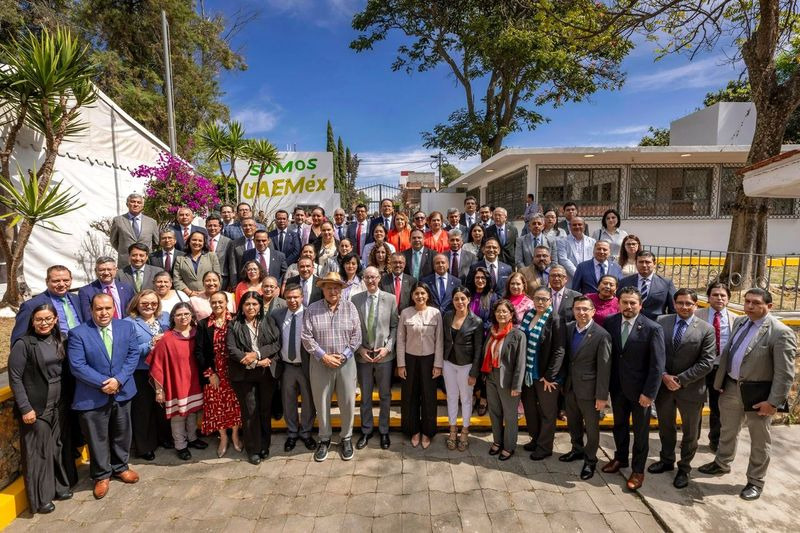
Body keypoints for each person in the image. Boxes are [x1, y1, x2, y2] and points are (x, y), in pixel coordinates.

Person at [699, 288, 796, 501]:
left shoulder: (780, 332)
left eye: (756, 303)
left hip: (758, 395)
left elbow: (785, 374)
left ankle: (755, 480)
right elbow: (729, 353)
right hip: (732, 388)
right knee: (728, 429)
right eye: (747, 301)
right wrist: (721, 381)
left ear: (769, 306)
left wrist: (773, 403)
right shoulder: (741, 322)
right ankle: (722, 462)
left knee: (760, 440)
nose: (750, 306)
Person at [67, 293, 140, 500]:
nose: (103, 312)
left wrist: (118, 380)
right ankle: (101, 475)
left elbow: (132, 355)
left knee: (122, 432)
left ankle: (120, 467)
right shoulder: (78, 333)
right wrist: (104, 383)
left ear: (114, 309)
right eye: (99, 309)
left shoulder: (126, 327)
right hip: (92, 395)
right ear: (91, 310)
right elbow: (77, 366)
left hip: (122, 390)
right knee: (96, 437)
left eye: (107, 308)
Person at [9, 304, 73, 514]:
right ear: (32, 321)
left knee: (56, 447)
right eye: (39, 319)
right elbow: (15, 378)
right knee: (38, 453)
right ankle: (41, 498)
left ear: (55, 319)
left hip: (59, 403)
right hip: (36, 407)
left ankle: (58, 487)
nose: (44, 323)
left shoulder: (60, 338)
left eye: (48, 319)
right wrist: (25, 408)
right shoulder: (24, 344)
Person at [649, 288, 715, 489]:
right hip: (664, 387)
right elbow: (654, 353)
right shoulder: (662, 321)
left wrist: (679, 379)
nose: (684, 307)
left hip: (691, 390)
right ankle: (666, 460)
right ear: (674, 303)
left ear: (696, 305)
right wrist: (664, 376)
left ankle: (684, 468)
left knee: (690, 433)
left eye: (689, 303)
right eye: (680, 303)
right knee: (666, 427)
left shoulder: (706, 329)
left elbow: (707, 362)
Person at [601, 287, 665, 491]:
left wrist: (649, 394)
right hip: (617, 388)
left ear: (640, 305)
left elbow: (657, 365)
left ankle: (638, 470)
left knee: (640, 432)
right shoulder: (611, 322)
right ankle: (620, 458)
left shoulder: (652, 328)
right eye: (625, 302)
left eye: (632, 303)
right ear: (618, 303)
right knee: (619, 426)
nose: (628, 307)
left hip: (640, 393)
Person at [302, 272, 363, 462]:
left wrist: (344, 355)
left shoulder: (350, 307)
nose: (333, 290)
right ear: (323, 289)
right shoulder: (312, 309)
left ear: (341, 289)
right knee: (321, 402)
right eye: (329, 287)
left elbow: (357, 335)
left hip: (346, 362)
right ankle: (324, 438)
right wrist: (324, 356)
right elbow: (306, 336)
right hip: (321, 363)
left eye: (336, 287)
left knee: (347, 402)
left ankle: (346, 438)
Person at [559, 295, 612, 480]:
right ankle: (577, 449)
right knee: (573, 422)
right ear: (573, 311)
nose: (581, 312)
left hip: (590, 391)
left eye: (585, 309)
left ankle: (590, 460)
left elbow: (604, 368)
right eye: (578, 309)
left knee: (591, 428)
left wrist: (602, 396)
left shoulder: (601, 335)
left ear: (593, 311)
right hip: (570, 387)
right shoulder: (568, 329)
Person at [226, 291, 281, 464]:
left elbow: (276, 344)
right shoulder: (234, 325)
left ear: (260, 307)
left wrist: (257, 354)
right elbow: (232, 349)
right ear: (241, 307)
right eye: (247, 304)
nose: (251, 307)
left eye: (255, 304)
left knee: (265, 410)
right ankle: (253, 449)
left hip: (266, 374)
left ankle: (265, 445)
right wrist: (256, 362)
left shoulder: (268, 321)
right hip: (244, 375)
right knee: (250, 411)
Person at [146, 303, 206, 461]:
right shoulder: (166, 338)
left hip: (194, 380)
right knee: (178, 415)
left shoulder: (197, 333)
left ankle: (192, 439)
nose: (183, 317)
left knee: (192, 412)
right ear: (173, 317)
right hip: (176, 382)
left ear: (192, 315)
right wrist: (159, 390)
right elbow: (157, 366)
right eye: (179, 314)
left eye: (186, 314)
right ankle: (180, 445)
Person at [352, 267, 399, 450]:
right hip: (363, 356)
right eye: (367, 277)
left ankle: (384, 430)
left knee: (385, 395)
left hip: (384, 357)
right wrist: (359, 349)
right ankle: (366, 430)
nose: (370, 280)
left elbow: (395, 326)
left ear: (379, 278)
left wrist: (387, 349)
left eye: (373, 277)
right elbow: (353, 327)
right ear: (363, 279)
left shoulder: (390, 299)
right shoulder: (356, 299)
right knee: (365, 397)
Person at [519, 287, 566, 460]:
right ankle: (535, 439)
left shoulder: (556, 320)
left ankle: (545, 447)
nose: (540, 302)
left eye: (544, 299)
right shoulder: (528, 315)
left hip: (546, 376)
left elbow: (560, 350)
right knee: (530, 409)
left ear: (550, 301)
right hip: (528, 372)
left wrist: (550, 376)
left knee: (547, 412)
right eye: (537, 298)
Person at [194, 291, 243, 458]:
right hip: (214, 373)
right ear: (210, 303)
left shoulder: (236, 320)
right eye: (213, 302)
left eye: (220, 302)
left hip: (234, 371)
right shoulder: (203, 324)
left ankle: (235, 435)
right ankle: (223, 438)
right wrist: (210, 373)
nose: (217, 305)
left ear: (226, 302)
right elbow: (199, 352)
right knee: (217, 406)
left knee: (234, 404)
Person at [396, 282, 443, 449]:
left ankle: (428, 432)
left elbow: (440, 341)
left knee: (429, 397)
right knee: (410, 396)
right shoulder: (405, 313)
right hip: (410, 359)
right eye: (416, 293)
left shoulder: (435, 313)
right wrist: (401, 364)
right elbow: (400, 340)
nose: (420, 296)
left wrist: (438, 364)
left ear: (428, 295)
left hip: (430, 360)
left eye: (423, 293)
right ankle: (413, 430)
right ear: (412, 296)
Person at [124, 290, 170, 461]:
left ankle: (164, 438)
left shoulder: (164, 318)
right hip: (141, 371)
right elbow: (129, 350)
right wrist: (150, 344)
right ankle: (145, 446)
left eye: (153, 303)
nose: (149, 306)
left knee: (162, 406)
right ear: (136, 303)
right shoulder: (128, 322)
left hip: (163, 370)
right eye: (144, 303)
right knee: (143, 410)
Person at [272, 284, 317, 453]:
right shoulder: (277, 315)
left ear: (302, 297)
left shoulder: (310, 314)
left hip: (306, 366)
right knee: (288, 401)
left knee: (308, 401)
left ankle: (306, 433)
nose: (292, 300)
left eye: (295, 297)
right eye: (289, 297)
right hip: (287, 367)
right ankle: (292, 433)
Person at [482, 299, 526, 461]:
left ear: (511, 314)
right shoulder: (492, 332)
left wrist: (517, 385)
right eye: (498, 311)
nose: (501, 314)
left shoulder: (518, 335)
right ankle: (497, 442)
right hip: (491, 376)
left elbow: (520, 363)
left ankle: (509, 446)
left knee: (510, 415)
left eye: (504, 311)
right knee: (494, 412)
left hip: (507, 380)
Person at [694, 282, 735, 452]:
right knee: (695, 405)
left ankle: (715, 440)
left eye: (722, 295)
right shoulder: (697, 315)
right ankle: (691, 439)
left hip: (721, 369)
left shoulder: (737, 319)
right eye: (715, 295)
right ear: (708, 297)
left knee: (718, 407)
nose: (719, 298)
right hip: (700, 367)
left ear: (728, 299)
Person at [442, 287, 483, 451]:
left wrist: (474, 372)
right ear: (452, 301)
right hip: (449, 363)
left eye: (462, 299)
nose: (459, 302)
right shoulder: (447, 316)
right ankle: (453, 429)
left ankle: (465, 430)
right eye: (456, 299)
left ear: (469, 300)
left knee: (466, 399)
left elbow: (478, 349)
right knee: (451, 397)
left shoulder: (476, 321)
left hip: (466, 365)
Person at [12, 265, 83, 345]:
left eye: (66, 280)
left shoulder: (77, 299)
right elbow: (18, 338)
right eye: (56, 281)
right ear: (47, 281)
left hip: (80, 346)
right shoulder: (31, 305)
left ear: (71, 280)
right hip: (54, 352)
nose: (62, 284)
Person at [618, 250, 676, 321]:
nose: (644, 265)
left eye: (648, 262)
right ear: (636, 263)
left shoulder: (666, 283)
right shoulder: (625, 282)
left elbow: (673, 309)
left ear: (654, 264)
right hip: (630, 323)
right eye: (641, 262)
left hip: (656, 324)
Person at [109, 193, 159, 268]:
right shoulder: (118, 220)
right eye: (133, 201)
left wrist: (146, 253)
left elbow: (156, 242)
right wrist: (125, 252)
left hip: (146, 263)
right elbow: (114, 241)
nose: (136, 204)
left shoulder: (151, 222)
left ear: (142, 206)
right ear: (127, 204)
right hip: (125, 263)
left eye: (139, 202)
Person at [78, 257, 135, 321]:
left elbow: (133, 311)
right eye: (102, 270)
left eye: (109, 269)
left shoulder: (127, 288)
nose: (106, 273)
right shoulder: (86, 291)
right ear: (96, 271)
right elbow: (88, 317)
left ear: (116, 270)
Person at [172, 231, 221, 297]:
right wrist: (189, 292)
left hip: (209, 295)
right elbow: (177, 279)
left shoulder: (211, 256)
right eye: (194, 240)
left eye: (200, 240)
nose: (197, 242)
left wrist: (205, 292)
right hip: (187, 297)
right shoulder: (180, 259)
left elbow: (218, 276)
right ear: (189, 242)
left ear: (204, 243)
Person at [224, 217, 259, 291]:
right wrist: (234, 285)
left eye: (250, 225)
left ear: (255, 227)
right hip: (243, 282)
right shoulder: (235, 243)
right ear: (241, 228)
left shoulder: (263, 241)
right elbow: (233, 266)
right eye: (245, 225)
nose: (248, 227)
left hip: (260, 281)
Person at [205, 215, 233, 288]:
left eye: (215, 225)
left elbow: (231, 263)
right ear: (206, 226)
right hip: (204, 279)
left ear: (220, 227)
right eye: (210, 226)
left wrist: (231, 282)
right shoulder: (202, 240)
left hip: (222, 279)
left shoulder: (228, 242)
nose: (212, 228)